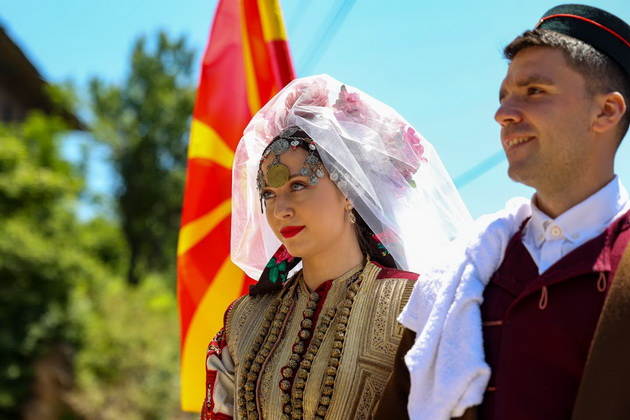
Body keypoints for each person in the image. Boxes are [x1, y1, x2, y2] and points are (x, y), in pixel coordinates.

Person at [374, 4, 630, 420]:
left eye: (534, 92)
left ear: (606, 111)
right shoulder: (462, 271)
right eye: (504, 97)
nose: (503, 113)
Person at [200, 75, 471, 419]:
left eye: (298, 185)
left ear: (348, 191)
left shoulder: (415, 305)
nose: (280, 209)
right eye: (268, 194)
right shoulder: (243, 320)